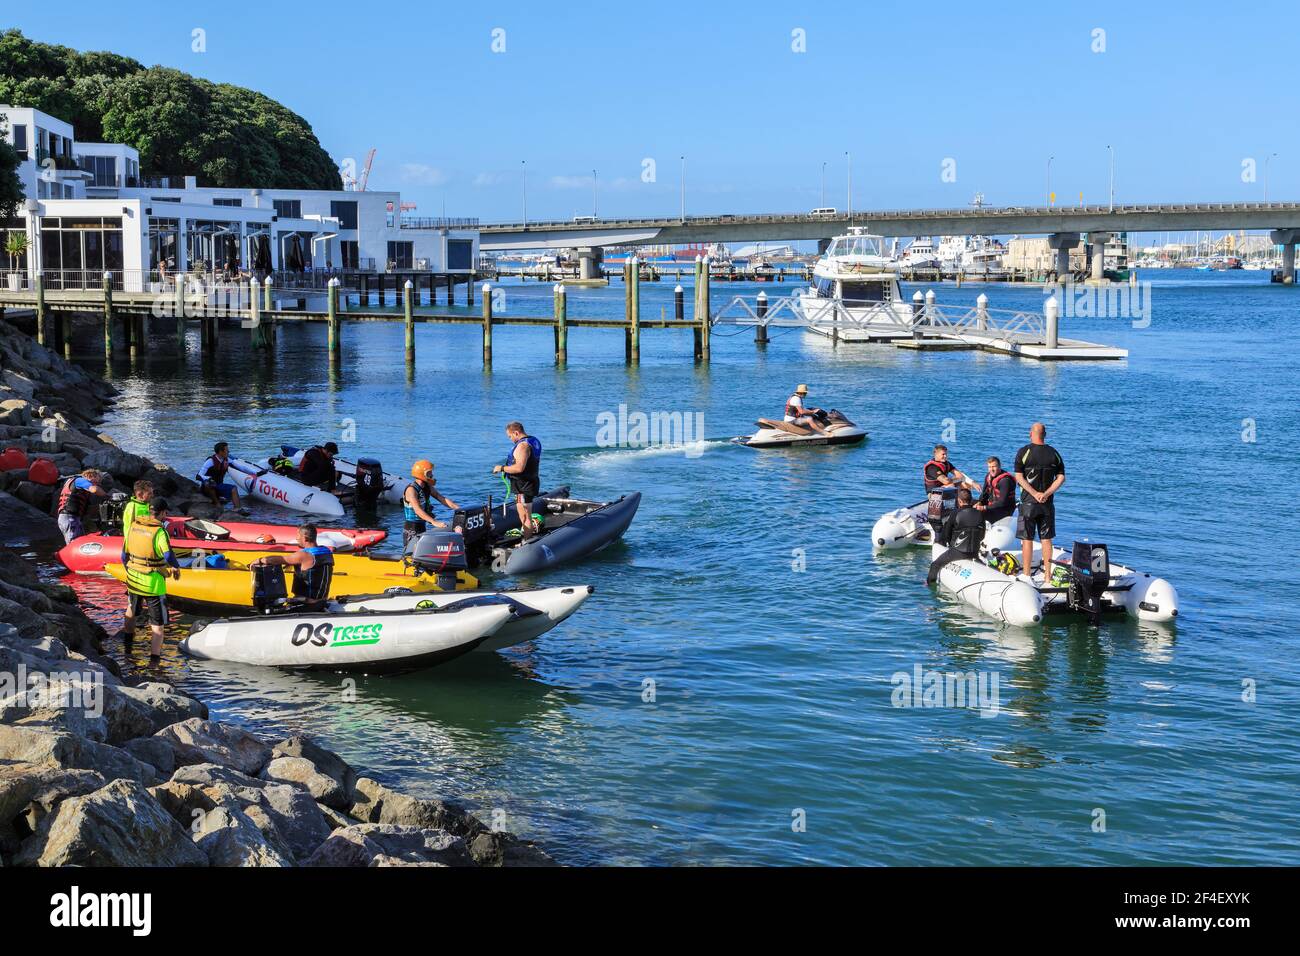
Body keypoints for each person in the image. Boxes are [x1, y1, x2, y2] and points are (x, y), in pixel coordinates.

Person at [122, 497, 180, 661]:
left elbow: (123, 555)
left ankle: (127, 647)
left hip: (133, 577)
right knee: (158, 626)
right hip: (153, 583)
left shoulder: (134, 526)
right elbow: (168, 554)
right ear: (162, 513)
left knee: (131, 609)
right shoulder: (160, 531)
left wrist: (129, 570)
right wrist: (176, 567)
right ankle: (154, 662)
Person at [1013, 422, 1066, 582]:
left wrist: (1035, 493)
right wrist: (1046, 493)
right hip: (1047, 504)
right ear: (1045, 434)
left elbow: (1019, 477)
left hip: (1028, 503)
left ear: (1031, 433)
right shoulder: (1054, 453)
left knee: (1027, 539)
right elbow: (1061, 477)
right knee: (1046, 539)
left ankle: (1027, 575)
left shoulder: (1024, 451)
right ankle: (1048, 576)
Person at [250, 524, 334, 603]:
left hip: (307, 603)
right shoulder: (326, 551)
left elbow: (280, 559)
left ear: (305, 538)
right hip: (322, 601)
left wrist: (260, 560)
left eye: (298, 536)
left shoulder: (304, 555)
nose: (296, 538)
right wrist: (293, 563)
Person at [403, 459, 460, 548]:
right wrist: (434, 522)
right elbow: (417, 510)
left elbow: (441, 498)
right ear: (422, 474)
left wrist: (460, 509)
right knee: (411, 553)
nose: (432, 475)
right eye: (429, 473)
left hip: (422, 525)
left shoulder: (427, 486)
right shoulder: (411, 490)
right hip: (412, 528)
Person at [195, 441, 249, 515]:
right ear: (221, 451)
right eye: (227, 450)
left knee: (233, 489)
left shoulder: (226, 460)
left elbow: (241, 468)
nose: (228, 451)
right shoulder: (210, 461)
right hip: (208, 488)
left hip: (218, 486)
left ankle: (237, 508)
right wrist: (208, 478)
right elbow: (198, 476)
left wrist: (255, 473)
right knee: (210, 484)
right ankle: (217, 504)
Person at [56, 469, 108, 543]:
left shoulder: (80, 488)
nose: (97, 484)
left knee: (81, 542)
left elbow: (87, 508)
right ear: (90, 476)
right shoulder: (80, 480)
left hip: (74, 519)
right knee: (74, 543)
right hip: (69, 518)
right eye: (96, 482)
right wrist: (108, 496)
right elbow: (94, 490)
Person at [922, 444, 967, 524]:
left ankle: (963, 506)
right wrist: (954, 480)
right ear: (936, 454)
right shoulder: (932, 467)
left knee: (964, 484)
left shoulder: (947, 464)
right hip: (933, 494)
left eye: (946, 454)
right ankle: (954, 510)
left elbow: (960, 476)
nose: (945, 456)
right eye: (943, 454)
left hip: (944, 489)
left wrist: (957, 480)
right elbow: (946, 481)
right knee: (951, 485)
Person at [936, 488, 985, 558]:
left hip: (957, 552)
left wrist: (950, 545)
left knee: (935, 565)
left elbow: (947, 535)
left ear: (959, 501)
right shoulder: (980, 514)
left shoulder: (955, 513)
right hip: (974, 552)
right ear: (971, 500)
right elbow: (982, 535)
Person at [968, 456, 1017, 524]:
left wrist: (984, 508)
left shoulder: (1005, 481)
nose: (991, 469)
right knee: (968, 504)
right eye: (989, 467)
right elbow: (984, 494)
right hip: (992, 506)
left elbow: (1002, 502)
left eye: (994, 466)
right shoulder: (988, 476)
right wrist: (980, 502)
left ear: (1000, 466)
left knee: (977, 514)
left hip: (1004, 510)